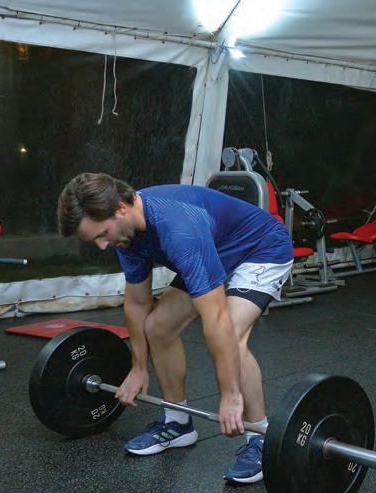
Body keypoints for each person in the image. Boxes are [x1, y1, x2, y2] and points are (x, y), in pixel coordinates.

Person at [57, 173, 294, 484]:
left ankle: (260, 436)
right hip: (213, 249)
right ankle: (177, 422)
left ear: (120, 209)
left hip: (261, 249)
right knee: (158, 326)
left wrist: (229, 394)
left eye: (102, 234)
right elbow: (138, 303)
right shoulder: (124, 234)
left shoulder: (178, 229)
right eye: (95, 239)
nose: (102, 245)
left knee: (232, 336)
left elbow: (216, 319)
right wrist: (138, 367)